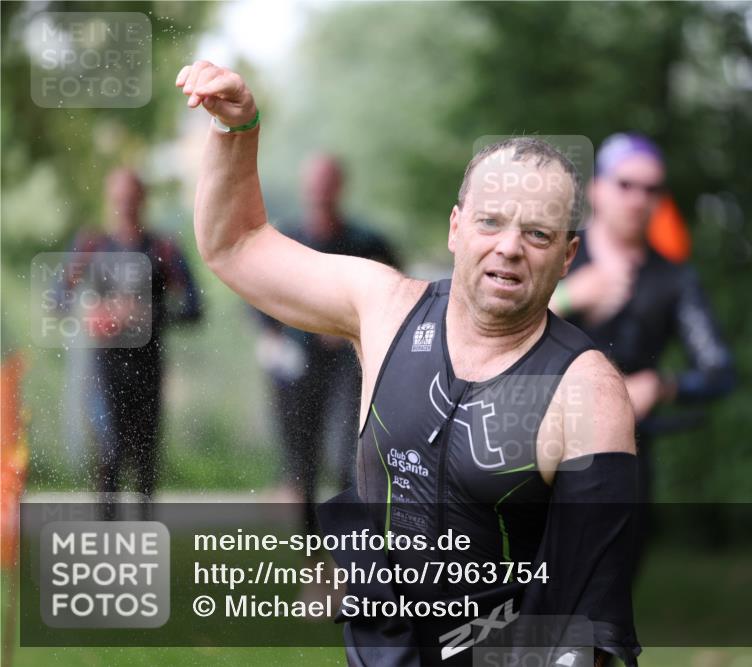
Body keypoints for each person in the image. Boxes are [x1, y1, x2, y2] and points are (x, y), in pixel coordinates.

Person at [177, 61, 640, 666]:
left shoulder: (586, 395)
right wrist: (237, 128)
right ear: (455, 228)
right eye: (490, 222)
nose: (508, 247)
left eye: (538, 234)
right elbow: (234, 243)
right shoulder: (385, 309)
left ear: (567, 256)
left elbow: (590, 630)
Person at [550, 133, 735, 562]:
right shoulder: (553, 251)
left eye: (651, 189)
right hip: (531, 440)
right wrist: (565, 298)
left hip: (620, 459)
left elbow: (719, 371)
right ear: (596, 189)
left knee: (606, 592)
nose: (638, 198)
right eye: (625, 184)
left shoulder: (674, 279)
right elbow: (486, 323)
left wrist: (659, 386)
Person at [254, 155, 397, 605]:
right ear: (304, 187)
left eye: (327, 183)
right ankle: (314, 566)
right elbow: (257, 296)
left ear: (340, 187)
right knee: (301, 469)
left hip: (350, 370)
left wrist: (351, 329)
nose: (319, 191)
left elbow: (397, 295)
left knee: (348, 462)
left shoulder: (368, 242)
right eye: (313, 183)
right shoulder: (287, 240)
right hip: (295, 374)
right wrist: (276, 338)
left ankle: (350, 566)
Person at [64, 169, 203, 517]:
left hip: (148, 371)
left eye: (132, 198)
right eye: (119, 198)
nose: (125, 205)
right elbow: (58, 298)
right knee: (109, 458)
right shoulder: (92, 245)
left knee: (144, 465)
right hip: (103, 372)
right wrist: (92, 312)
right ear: (110, 200)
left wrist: (148, 314)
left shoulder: (163, 248)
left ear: (143, 200)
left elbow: (194, 308)